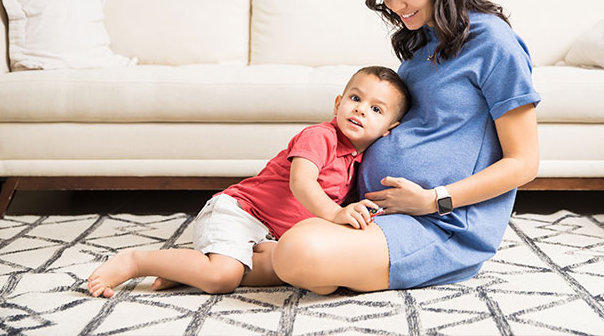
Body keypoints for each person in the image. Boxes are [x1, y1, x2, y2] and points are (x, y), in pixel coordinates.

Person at [272, 0, 541, 294]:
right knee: (262, 234)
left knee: (296, 250)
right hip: (378, 210)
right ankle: (201, 270)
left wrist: (434, 200)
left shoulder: (494, 44)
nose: (397, 5)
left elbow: (524, 162)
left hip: (441, 225)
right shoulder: (422, 38)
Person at [87, 66, 410, 298]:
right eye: (355, 98)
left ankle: (187, 270)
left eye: (375, 108)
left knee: (291, 269)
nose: (360, 110)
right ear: (338, 103)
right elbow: (302, 183)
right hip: (242, 212)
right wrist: (336, 214)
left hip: (271, 236)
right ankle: (136, 260)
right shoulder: (320, 136)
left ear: (388, 129)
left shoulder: (360, 162)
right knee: (223, 277)